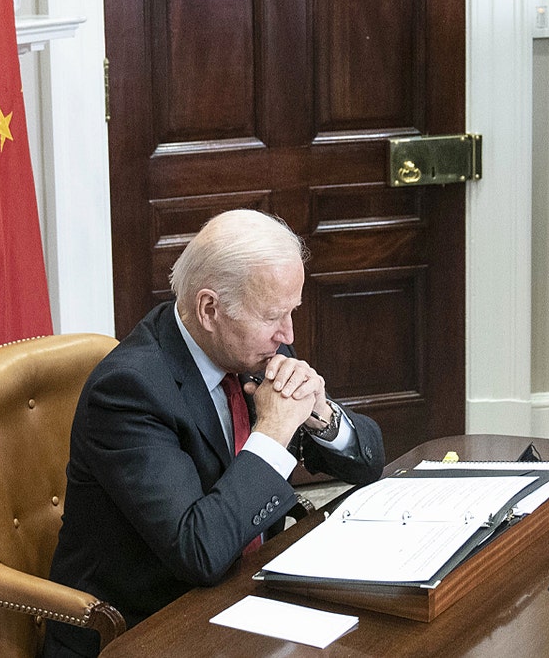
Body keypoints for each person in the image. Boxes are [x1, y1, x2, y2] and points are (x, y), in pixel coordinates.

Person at [44, 210, 386, 657]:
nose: (288, 333)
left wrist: (320, 416)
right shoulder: (130, 390)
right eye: (272, 317)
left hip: (247, 600)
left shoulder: (256, 346)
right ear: (210, 309)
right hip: (148, 628)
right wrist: (274, 432)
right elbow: (198, 551)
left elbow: (368, 462)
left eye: (290, 313)